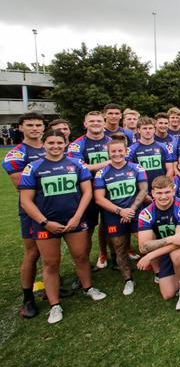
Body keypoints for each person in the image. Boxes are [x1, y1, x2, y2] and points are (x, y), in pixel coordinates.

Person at [19, 130, 107, 324]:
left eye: (59, 142)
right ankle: (54, 304)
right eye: (51, 142)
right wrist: (45, 222)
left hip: (74, 220)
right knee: (51, 263)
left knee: (81, 256)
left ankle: (88, 288)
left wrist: (77, 217)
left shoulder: (76, 164)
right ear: (44, 144)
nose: (56, 146)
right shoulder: (33, 168)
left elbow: (86, 192)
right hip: (46, 223)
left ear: (65, 144)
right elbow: (26, 200)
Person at [3, 112, 47, 318]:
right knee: (32, 253)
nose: (35, 128)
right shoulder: (17, 154)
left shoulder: (51, 147)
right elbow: (21, 185)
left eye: (38, 125)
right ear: (20, 127)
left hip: (57, 208)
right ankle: (27, 298)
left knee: (51, 254)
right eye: (30, 125)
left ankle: (50, 288)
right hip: (32, 210)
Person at [136, 176, 180, 310]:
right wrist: (169, 239)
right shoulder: (146, 213)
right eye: (159, 193)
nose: (163, 196)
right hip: (166, 246)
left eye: (167, 192)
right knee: (168, 294)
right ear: (152, 193)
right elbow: (143, 247)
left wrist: (150, 256)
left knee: (177, 255)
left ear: (173, 191)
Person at [94, 139, 148, 296]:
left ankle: (158, 271)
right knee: (119, 247)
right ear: (108, 153)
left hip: (135, 211)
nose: (117, 154)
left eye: (120, 151)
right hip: (113, 215)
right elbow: (99, 198)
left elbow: (143, 190)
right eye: (113, 151)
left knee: (145, 243)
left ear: (125, 152)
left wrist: (131, 209)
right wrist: (120, 211)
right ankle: (128, 280)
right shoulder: (101, 173)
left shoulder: (136, 167)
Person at [68, 111, 113, 271]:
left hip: (110, 190)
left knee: (111, 225)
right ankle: (84, 265)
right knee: (88, 229)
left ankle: (111, 256)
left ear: (104, 122)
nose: (95, 123)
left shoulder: (111, 141)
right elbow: (79, 167)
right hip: (87, 193)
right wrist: (108, 162)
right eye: (91, 121)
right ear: (85, 124)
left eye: (99, 121)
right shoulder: (77, 144)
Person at [127, 117, 175, 190]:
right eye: (145, 128)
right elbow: (129, 173)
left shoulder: (164, 147)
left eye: (150, 128)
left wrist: (163, 186)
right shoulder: (131, 149)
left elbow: (170, 169)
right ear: (139, 130)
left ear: (154, 130)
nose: (148, 131)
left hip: (161, 189)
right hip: (142, 191)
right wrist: (142, 192)